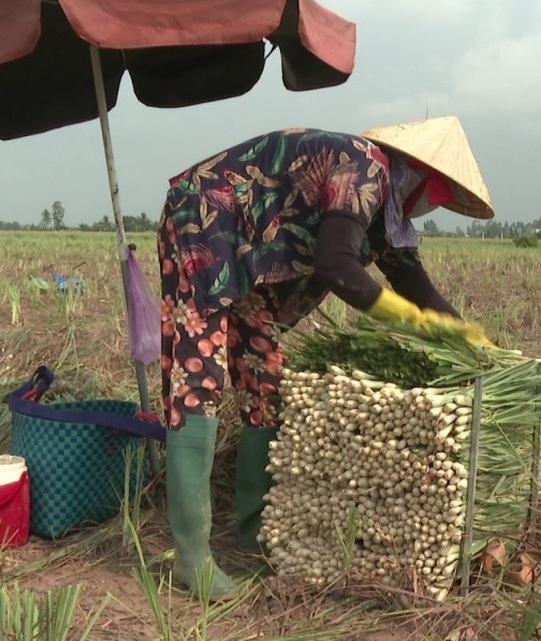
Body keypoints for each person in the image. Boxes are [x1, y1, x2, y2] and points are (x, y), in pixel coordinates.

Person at [156, 116, 494, 598]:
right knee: (200, 374)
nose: (433, 202)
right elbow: (338, 266)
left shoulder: (385, 215)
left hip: (248, 247)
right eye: (436, 192)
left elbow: (413, 282)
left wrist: (467, 337)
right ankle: (193, 559)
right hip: (205, 219)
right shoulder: (363, 169)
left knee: (264, 378)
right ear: (421, 175)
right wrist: (404, 319)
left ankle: (253, 538)